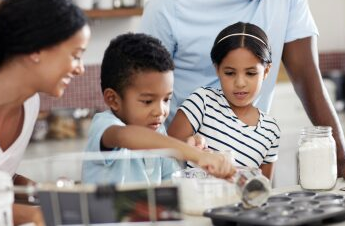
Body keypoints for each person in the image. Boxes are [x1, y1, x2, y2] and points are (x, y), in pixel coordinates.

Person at [140, 0, 345, 182]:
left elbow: (307, 75)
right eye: (229, 72)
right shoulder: (170, 4)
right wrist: (185, 153)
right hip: (181, 175)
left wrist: (342, 159)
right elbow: (141, 103)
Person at [0, 0, 91, 226]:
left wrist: (38, 192)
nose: (80, 68)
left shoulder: (29, 105)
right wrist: (36, 215)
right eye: (76, 54)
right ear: (36, 50)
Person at [82, 33, 234, 185]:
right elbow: (127, 136)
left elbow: (172, 183)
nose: (160, 111)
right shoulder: (104, 126)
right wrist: (195, 155)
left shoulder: (158, 131)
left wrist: (195, 161)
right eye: (148, 101)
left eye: (166, 99)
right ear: (113, 99)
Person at [168, 22, 280, 180]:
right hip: (193, 201)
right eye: (229, 73)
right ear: (217, 69)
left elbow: (261, 189)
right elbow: (164, 153)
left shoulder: (270, 131)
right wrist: (189, 146)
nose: (240, 82)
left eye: (250, 73)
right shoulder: (203, 102)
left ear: (266, 70)